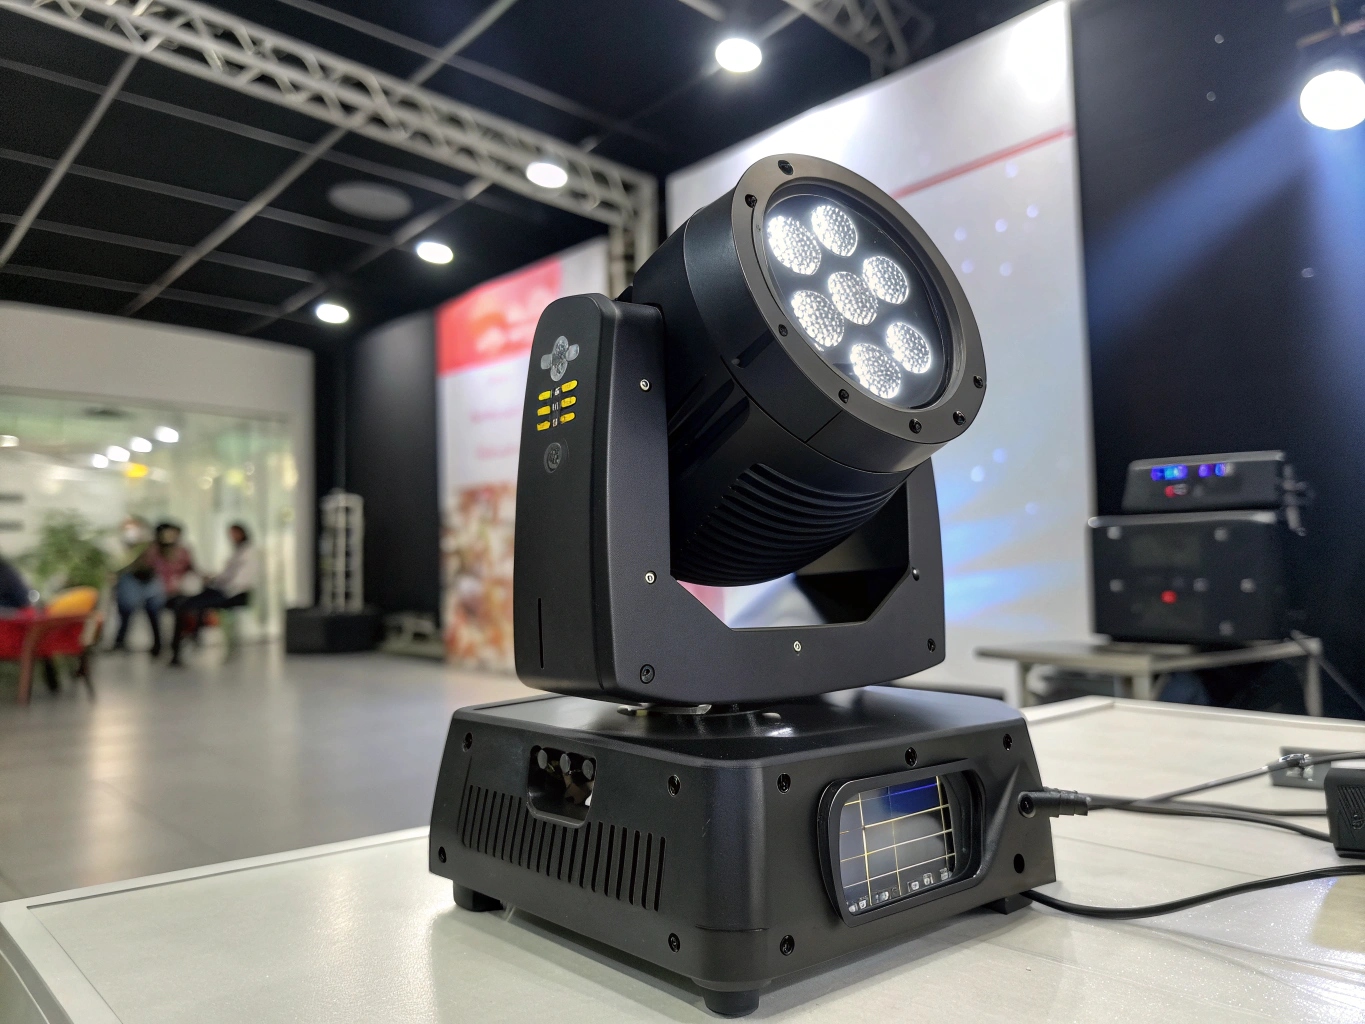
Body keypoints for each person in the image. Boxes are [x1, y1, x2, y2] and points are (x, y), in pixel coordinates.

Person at [169, 523, 257, 666]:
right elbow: (227, 575)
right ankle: (187, 641)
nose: (232, 537)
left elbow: (240, 580)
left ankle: (190, 640)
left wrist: (219, 585)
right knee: (185, 603)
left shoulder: (248, 552)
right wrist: (213, 580)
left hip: (232, 593)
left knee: (188, 605)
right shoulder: (238, 551)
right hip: (223, 588)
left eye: (235, 533)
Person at [111, 516, 165, 655]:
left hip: (149, 579)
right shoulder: (121, 546)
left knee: (153, 612)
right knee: (126, 612)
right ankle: (120, 641)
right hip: (130, 579)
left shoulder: (151, 545)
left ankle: (158, 644)